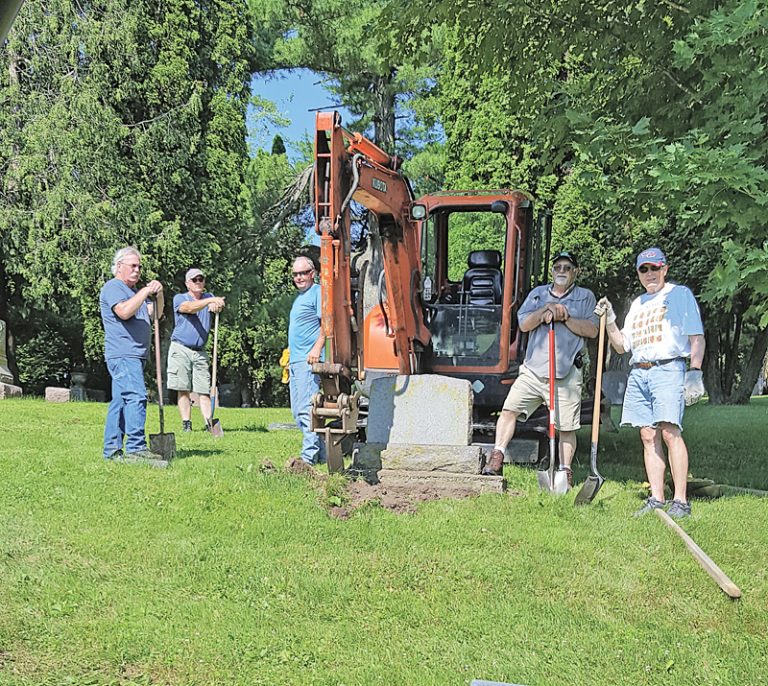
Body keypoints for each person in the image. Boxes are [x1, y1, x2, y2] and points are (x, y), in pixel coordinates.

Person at [596, 247, 705, 519]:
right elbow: (621, 346)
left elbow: (697, 337)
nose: (649, 274)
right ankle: (657, 497)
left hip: (668, 368)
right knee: (647, 435)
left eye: (654, 268)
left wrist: (695, 371)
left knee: (670, 432)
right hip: (639, 372)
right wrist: (609, 320)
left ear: (664, 269)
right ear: (639, 274)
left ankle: (680, 501)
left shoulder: (679, 295)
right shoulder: (638, 304)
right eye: (644, 269)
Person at [482, 251, 598, 486]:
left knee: (566, 426)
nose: (562, 271)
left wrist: (564, 318)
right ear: (552, 271)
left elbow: (592, 330)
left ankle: (564, 471)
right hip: (533, 371)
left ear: (576, 272)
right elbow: (524, 324)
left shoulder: (585, 297)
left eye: (567, 267)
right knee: (509, 410)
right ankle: (497, 456)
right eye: (558, 267)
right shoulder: (537, 294)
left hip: (565, 374)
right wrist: (545, 311)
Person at [99, 246, 164, 460]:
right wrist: (146, 291)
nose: (137, 270)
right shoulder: (113, 287)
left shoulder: (134, 293)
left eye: (139, 266)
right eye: (132, 266)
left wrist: (159, 294)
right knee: (137, 396)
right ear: (119, 267)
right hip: (123, 354)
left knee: (120, 402)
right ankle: (136, 448)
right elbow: (124, 312)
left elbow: (156, 313)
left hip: (134, 355)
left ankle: (112, 451)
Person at [167, 268, 225, 431]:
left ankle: (209, 423)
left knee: (203, 390)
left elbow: (217, 305)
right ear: (187, 284)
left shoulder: (209, 297)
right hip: (180, 348)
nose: (198, 282)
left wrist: (217, 305)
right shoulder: (180, 298)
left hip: (200, 350)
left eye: (201, 279)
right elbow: (189, 308)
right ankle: (187, 424)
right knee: (183, 388)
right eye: (195, 280)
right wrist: (209, 302)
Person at [288, 255, 326, 465]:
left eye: (303, 273)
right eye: (295, 274)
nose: (299, 277)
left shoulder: (317, 292)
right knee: (297, 411)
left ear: (313, 273)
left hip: (309, 360)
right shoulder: (300, 297)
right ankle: (323, 455)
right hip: (296, 360)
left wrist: (317, 348)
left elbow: (326, 324)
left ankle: (307, 458)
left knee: (306, 409)